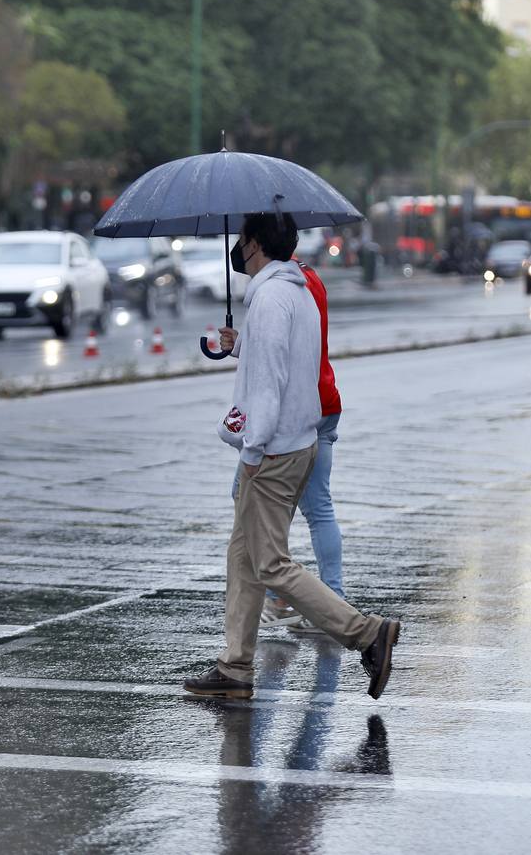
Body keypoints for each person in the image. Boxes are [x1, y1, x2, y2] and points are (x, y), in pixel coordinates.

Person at [183, 212, 400, 700]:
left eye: (242, 240)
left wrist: (254, 449)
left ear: (256, 244)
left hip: (274, 448)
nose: (238, 249)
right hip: (298, 439)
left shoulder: (271, 298)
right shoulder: (298, 290)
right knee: (243, 556)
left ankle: (368, 633)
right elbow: (285, 362)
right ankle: (235, 668)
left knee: (271, 564)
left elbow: (269, 382)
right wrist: (244, 346)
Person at [223, 255, 345, 634]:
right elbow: (296, 346)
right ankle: (325, 598)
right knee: (315, 507)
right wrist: (242, 344)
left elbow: (279, 363)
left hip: (296, 414)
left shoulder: (281, 289)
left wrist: (254, 446)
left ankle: (291, 602)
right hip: (323, 400)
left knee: (256, 502)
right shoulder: (308, 280)